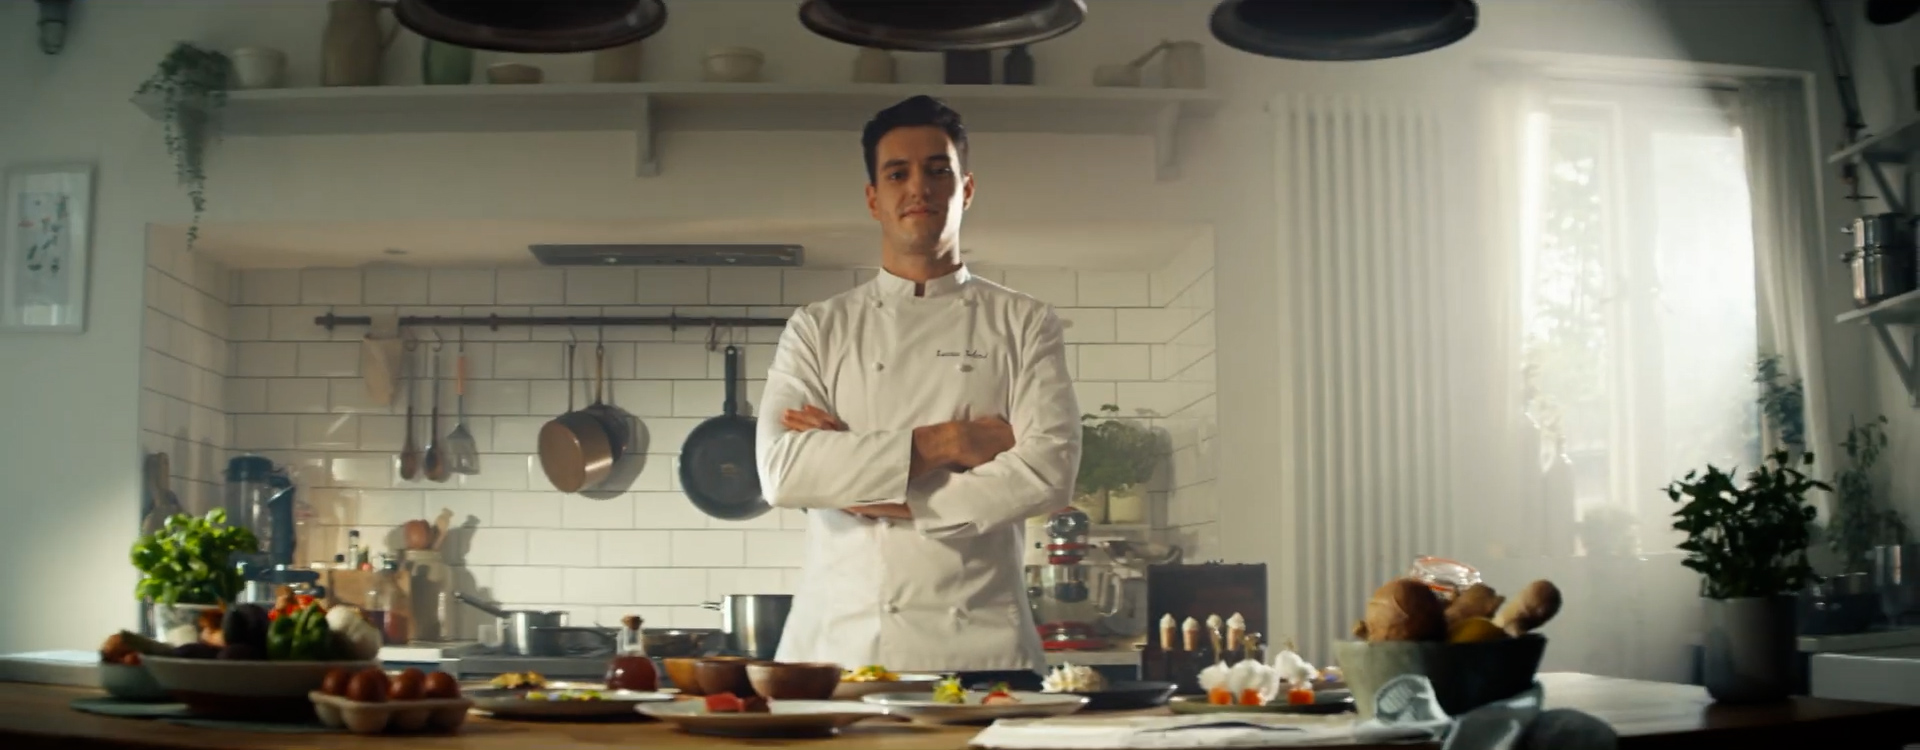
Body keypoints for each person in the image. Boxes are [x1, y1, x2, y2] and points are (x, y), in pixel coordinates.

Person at [753, 95, 1082, 689]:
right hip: (839, 648)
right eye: (897, 173)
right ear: (873, 198)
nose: (918, 189)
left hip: (983, 648)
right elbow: (784, 473)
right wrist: (953, 441)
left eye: (938, 170)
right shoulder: (818, 327)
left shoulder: (1025, 322)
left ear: (966, 188)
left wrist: (872, 489)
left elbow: (1048, 472)